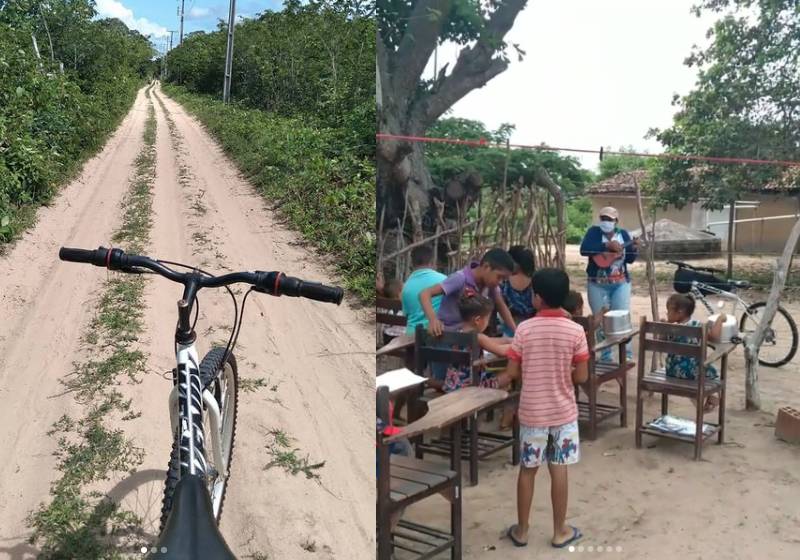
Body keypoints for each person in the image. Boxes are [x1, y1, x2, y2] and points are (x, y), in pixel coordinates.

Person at [495, 268, 589, 549]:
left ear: (537, 298)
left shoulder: (524, 329)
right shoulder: (576, 330)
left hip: (533, 411)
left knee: (528, 469)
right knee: (559, 468)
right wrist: (563, 376)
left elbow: (512, 371)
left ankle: (522, 530)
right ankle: (560, 530)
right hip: (563, 412)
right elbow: (582, 377)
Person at [579, 206, 639, 360]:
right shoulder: (594, 232)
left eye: (610, 219)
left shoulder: (624, 234)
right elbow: (585, 249)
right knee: (600, 319)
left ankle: (626, 354)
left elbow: (630, 259)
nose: (606, 222)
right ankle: (606, 354)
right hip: (596, 283)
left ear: (616, 221)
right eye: (603, 218)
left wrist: (634, 249)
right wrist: (606, 245)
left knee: (621, 318)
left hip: (620, 283)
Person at [419, 248, 517, 337]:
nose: (500, 282)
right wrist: (432, 320)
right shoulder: (460, 278)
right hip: (447, 336)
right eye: (499, 277)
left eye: (503, 279)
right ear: (487, 267)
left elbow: (502, 307)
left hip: (469, 337)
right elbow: (425, 293)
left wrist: (516, 332)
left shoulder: (491, 286)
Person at [664, 293, 726, 411]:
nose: (667, 314)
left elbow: (660, 341)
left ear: (680, 312)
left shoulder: (668, 327)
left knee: (697, 374)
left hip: (671, 371)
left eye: (669, 311)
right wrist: (720, 319)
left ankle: (703, 405)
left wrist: (663, 326)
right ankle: (710, 397)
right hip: (689, 373)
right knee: (710, 371)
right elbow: (714, 337)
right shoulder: (697, 326)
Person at [441, 294, 511, 392]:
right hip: (472, 388)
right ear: (478, 320)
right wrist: (519, 343)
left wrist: (507, 340)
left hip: (453, 385)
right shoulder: (478, 337)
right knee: (508, 375)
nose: (488, 323)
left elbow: (489, 341)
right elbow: (502, 351)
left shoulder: (459, 333)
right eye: (487, 319)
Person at [400, 245, 447, 335]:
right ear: (432, 261)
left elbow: (406, 314)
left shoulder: (406, 287)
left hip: (411, 338)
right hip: (436, 335)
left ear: (411, 263)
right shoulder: (444, 280)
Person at [499, 245, 536, 336]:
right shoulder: (537, 280)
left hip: (510, 330)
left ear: (517, 264)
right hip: (534, 329)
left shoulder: (504, 281)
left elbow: (502, 308)